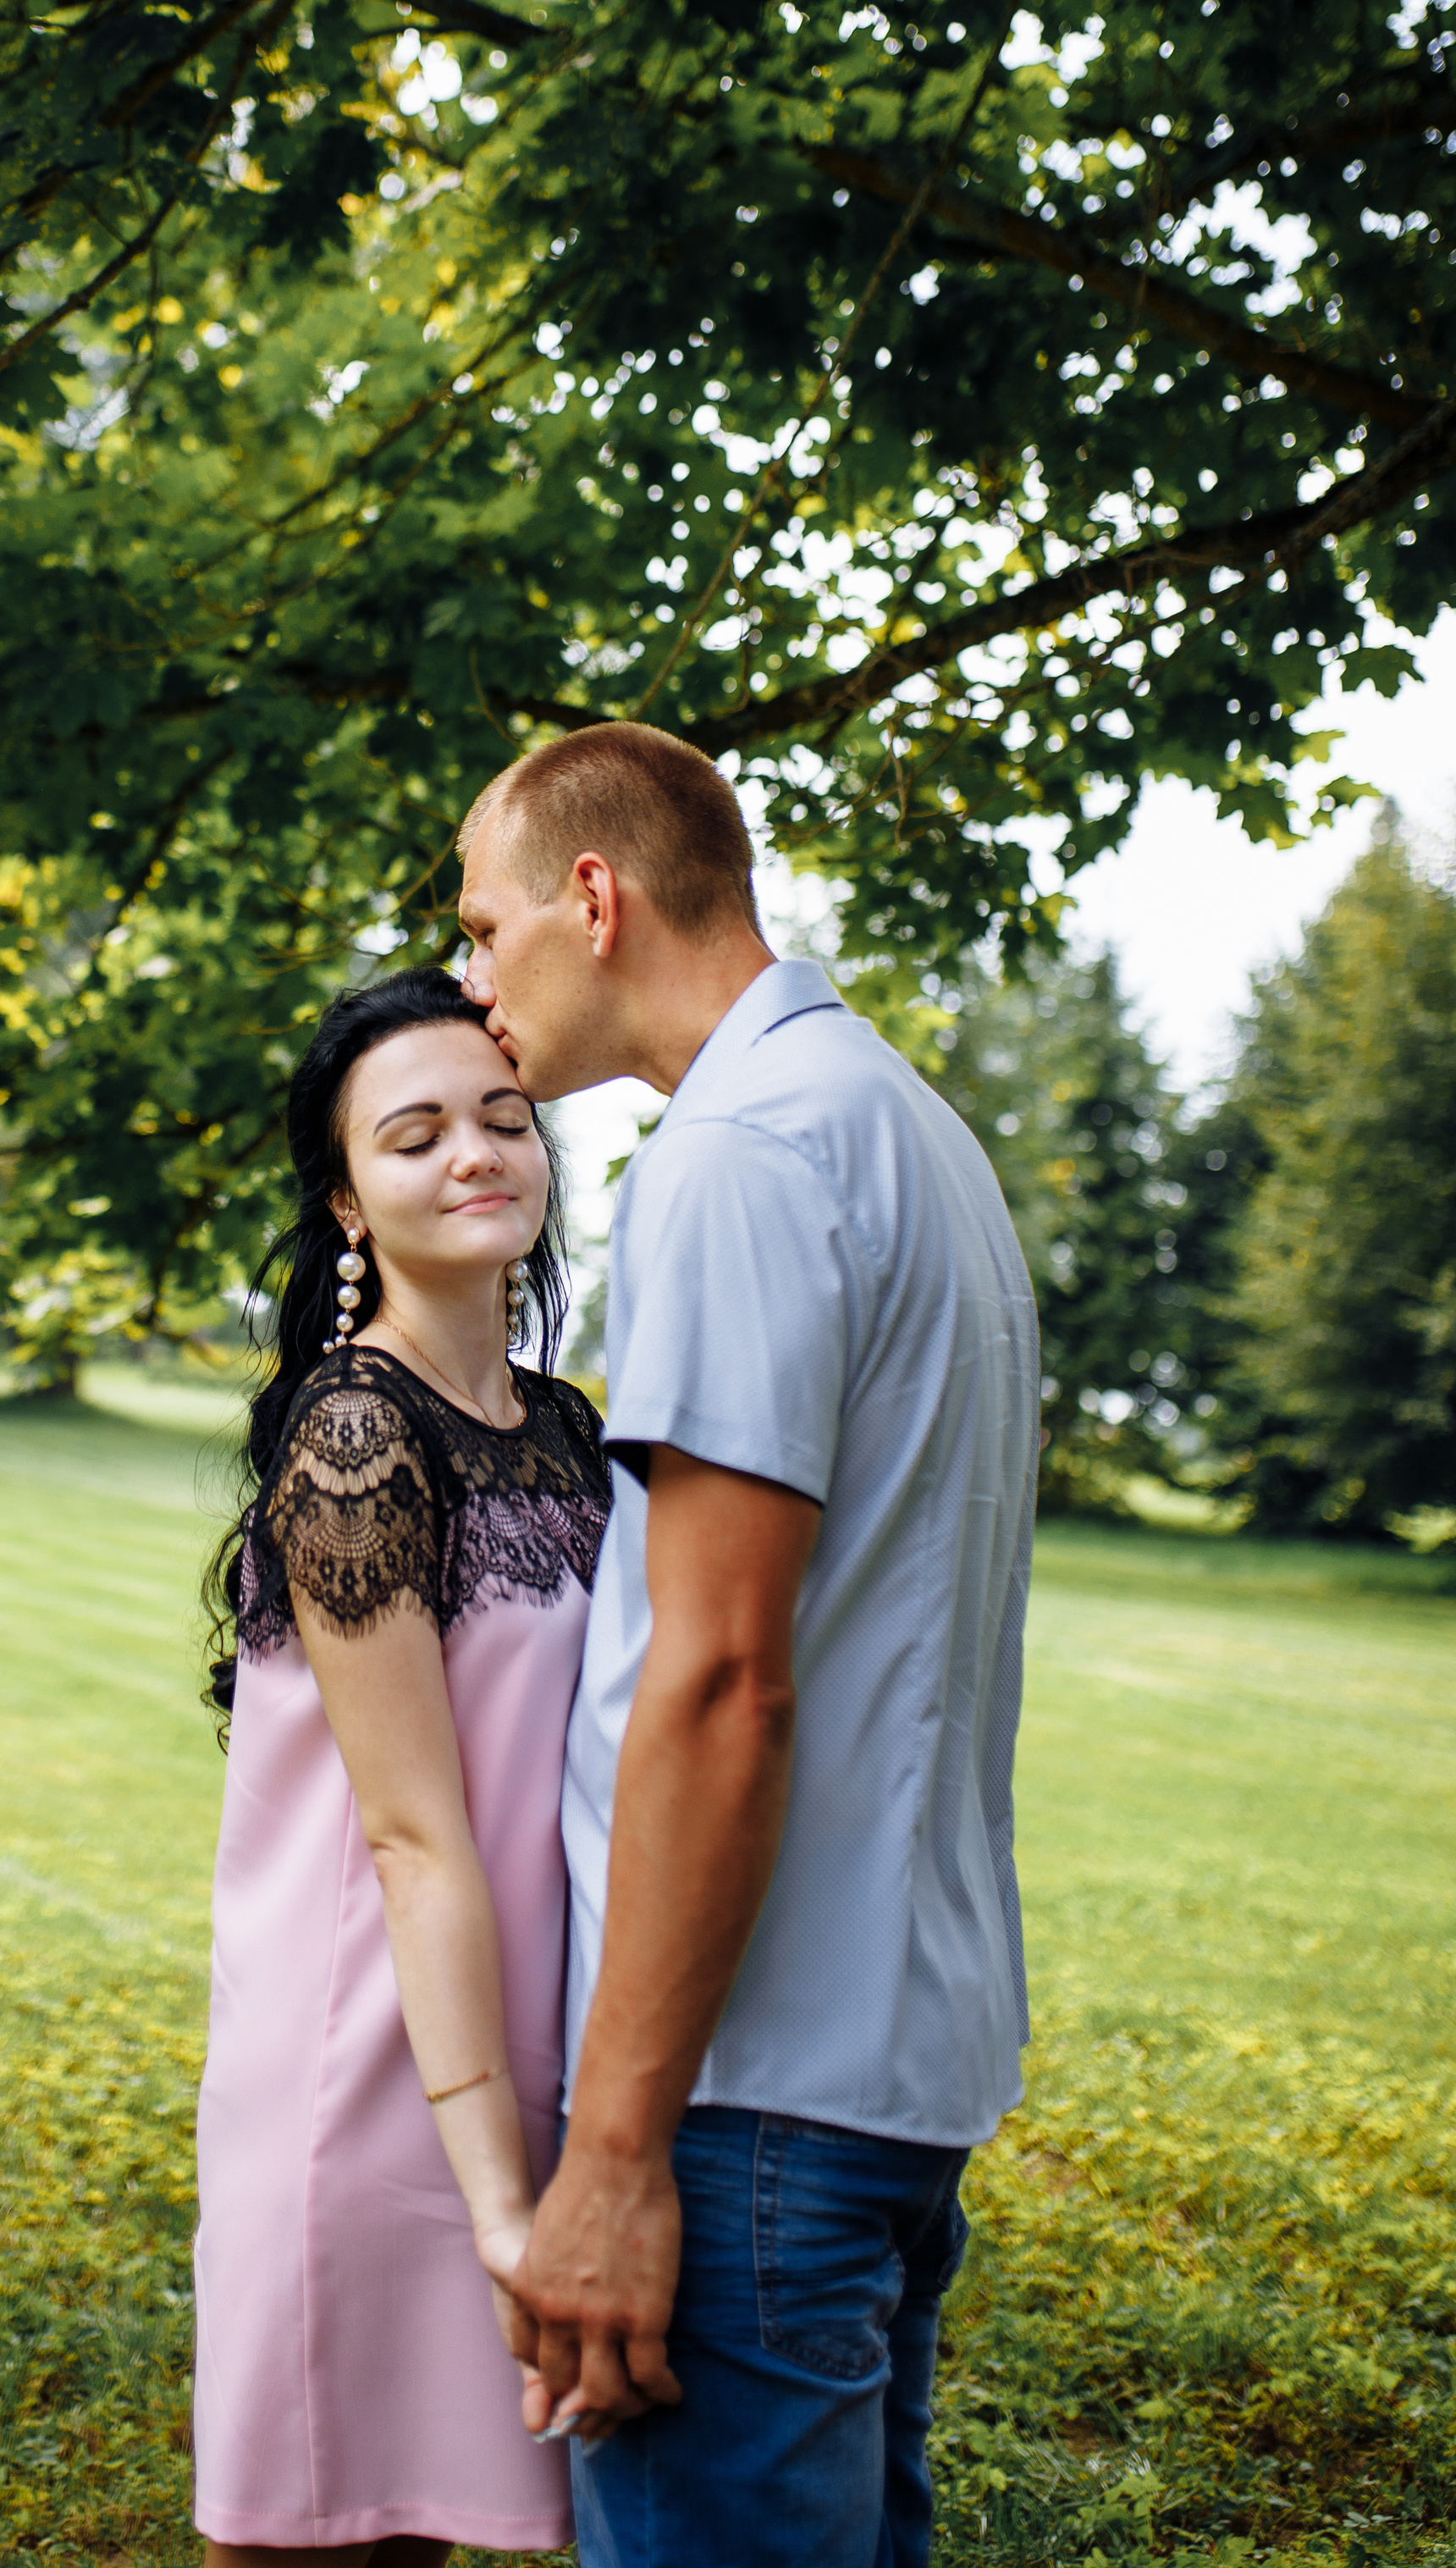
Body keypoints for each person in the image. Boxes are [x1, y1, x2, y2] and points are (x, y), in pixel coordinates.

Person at [455, 721, 1042, 2568]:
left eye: (482, 930)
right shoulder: (905, 1128)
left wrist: (616, 2153)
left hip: (744, 2108)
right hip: (890, 2073)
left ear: (594, 899)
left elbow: (719, 1678)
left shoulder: (735, 1154)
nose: (474, 986)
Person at [192, 965, 613, 2566]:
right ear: (347, 1201)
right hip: (364, 2065)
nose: (475, 1154)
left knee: (418, 2529)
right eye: (416, 1133)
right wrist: (499, 2198)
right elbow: (415, 1838)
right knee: (309, 2533)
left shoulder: (567, 1432)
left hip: (513, 2038)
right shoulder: (356, 1436)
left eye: (503, 1118)